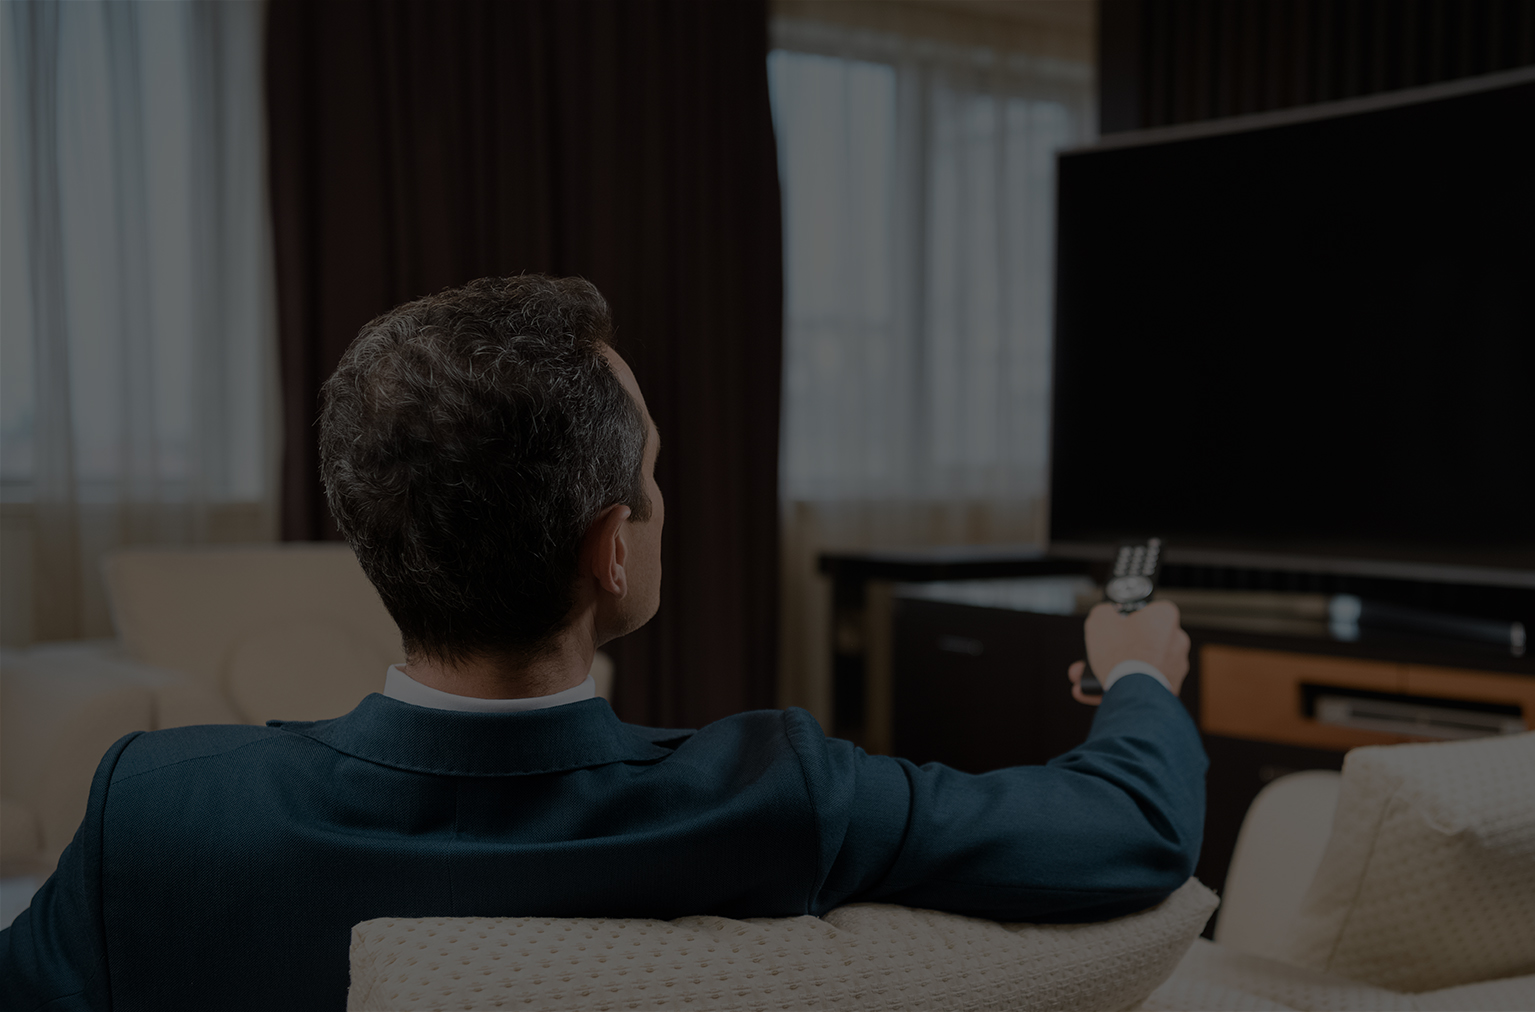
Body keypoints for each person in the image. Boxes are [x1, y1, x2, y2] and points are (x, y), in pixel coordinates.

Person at [0, 275, 1205, 1010]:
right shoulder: (773, 798)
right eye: (656, 478)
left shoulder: (154, 813)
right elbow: (1135, 832)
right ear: (609, 550)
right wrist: (1139, 670)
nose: (664, 500)